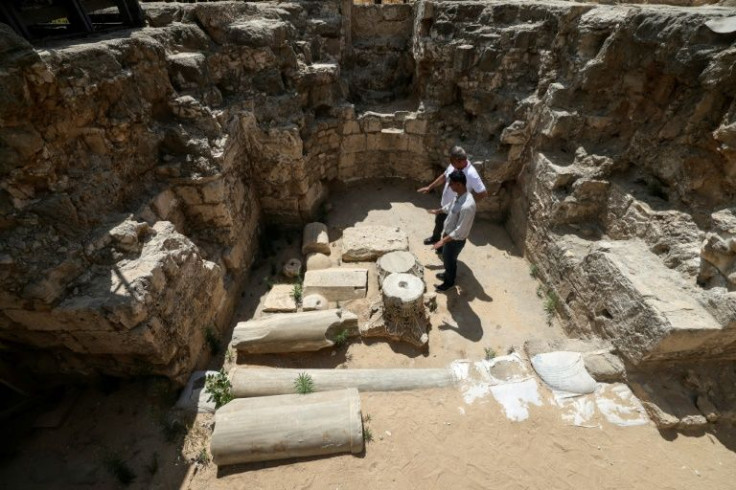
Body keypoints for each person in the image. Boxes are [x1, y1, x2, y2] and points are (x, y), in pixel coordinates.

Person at [417, 146, 486, 250]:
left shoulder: (471, 174)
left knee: (449, 231)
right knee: (439, 222)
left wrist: (466, 204)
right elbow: (444, 176)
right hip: (445, 204)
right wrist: (430, 187)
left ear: (460, 161)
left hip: (455, 210)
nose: (451, 165)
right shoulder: (454, 165)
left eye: (453, 162)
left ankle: (443, 249)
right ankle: (435, 238)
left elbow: (482, 192)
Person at [429, 170, 476, 292]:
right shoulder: (459, 196)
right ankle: (447, 274)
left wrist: (442, 241)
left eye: (451, 184)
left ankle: (449, 282)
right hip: (449, 236)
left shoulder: (467, 206)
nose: (449, 186)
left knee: (450, 261)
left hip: (455, 241)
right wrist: (438, 211)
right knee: (446, 258)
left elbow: (460, 231)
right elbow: (450, 207)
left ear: (459, 184)